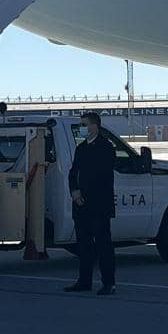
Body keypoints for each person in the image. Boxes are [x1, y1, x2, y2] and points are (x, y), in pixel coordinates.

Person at [64, 111, 117, 296]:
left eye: (84, 125)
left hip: (99, 205)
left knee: (103, 245)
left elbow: (102, 177)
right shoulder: (81, 148)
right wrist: (75, 192)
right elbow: (73, 174)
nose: (82, 129)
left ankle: (108, 282)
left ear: (95, 126)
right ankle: (84, 280)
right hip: (81, 205)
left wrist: (86, 193)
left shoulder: (106, 147)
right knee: (84, 245)